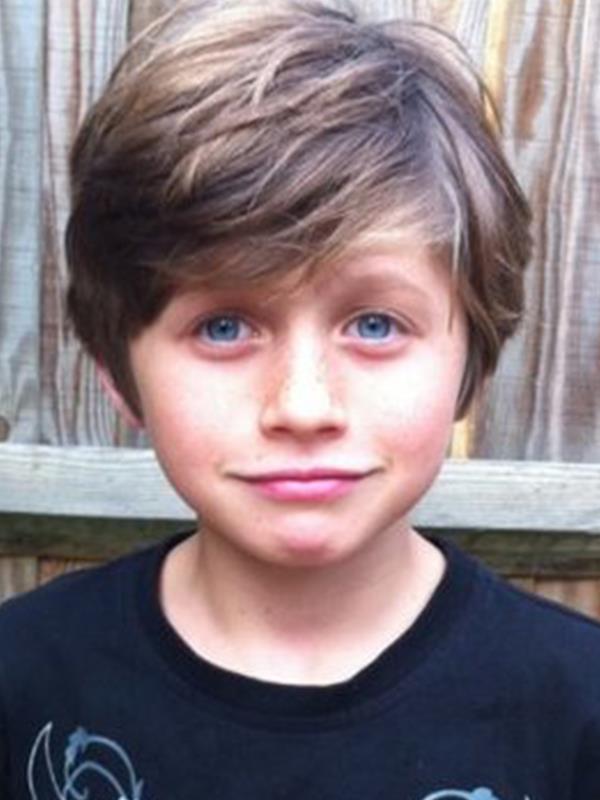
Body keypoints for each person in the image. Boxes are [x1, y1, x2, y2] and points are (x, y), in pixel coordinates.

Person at [1, 1, 599, 798]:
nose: (304, 406)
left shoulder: (577, 709)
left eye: (376, 325)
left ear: (472, 364)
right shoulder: (22, 678)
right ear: (118, 372)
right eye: (223, 328)